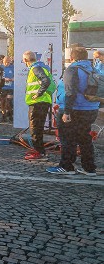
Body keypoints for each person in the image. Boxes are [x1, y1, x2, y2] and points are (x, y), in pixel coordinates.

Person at [47, 46, 99, 175]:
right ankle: (89, 168)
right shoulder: (93, 69)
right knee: (85, 138)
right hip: (91, 108)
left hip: (74, 108)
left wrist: (67, 112)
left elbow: (70, 92)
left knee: (67, 139)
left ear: (72, 57)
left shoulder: (72, 70)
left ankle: (66, 166)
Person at [21, 50, 55, 160]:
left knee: (35, 128)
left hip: (37, 103)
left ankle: (39, 152)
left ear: (25, 60)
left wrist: (38, 94)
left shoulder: (35, 68)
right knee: (38, 128)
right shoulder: (41, 67)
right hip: (43, 102)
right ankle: (41, 151)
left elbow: (46, 81)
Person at [0, 55, 14, 122]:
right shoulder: (0, 67)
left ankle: (10, 114)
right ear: (3, 61)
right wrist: (4, 79)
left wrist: (12, 79)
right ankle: (4, 115)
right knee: (3, 102)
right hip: (2, 87)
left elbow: (16, 76)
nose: (7, 63)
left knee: (9, 101)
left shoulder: (13, 67)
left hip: (10, 87)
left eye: (8, 62)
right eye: (5, 62)